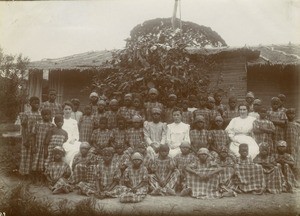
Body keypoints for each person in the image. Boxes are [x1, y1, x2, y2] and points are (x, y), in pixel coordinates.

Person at [19, 96, 42, 177]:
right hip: (27, 137)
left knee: (34, 155)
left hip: (37, 138)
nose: (37, 104)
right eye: (34, 102)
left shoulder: (40, 114)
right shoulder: (26, 114)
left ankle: (32, 175)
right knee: (26, 155)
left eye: (38, 103)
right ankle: (24, 174)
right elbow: (24, 127)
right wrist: (25, 139)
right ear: (30, 103)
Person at [31, 108, 54, 181]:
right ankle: (35, 178)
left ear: (50, 115)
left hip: (47, 147)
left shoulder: (52, 125)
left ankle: (43, 178)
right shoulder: (37, 124)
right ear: (41, 115)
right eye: (44, 115)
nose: (46, 116)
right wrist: (34, 145)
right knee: (36, 161)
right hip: (38, 145)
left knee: (45, 161)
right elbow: (33, 135)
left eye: (48, 115)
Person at [61, 101, 81, 168]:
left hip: (72, 141)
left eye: (69, 109)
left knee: (79, 147)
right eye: (66, 109)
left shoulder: (74, 122)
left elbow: (76, 134)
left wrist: (74, 139)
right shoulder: (59, 120)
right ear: (63, 110)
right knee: (70, 149)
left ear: (71, 110)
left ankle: (74, 167)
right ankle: (68, 167)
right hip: (62, 140)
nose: (67, 111)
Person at [285, 108, 300, 180]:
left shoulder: (297, 125)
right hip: (287, 145)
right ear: (286, 115)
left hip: (295, 145)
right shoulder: (285, 124)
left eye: (292, 114)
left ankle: (296, 178)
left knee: (296, 160)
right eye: (289, 114)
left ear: (295, 115)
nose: (291, 115)